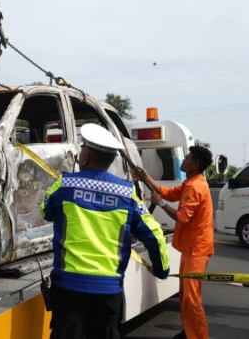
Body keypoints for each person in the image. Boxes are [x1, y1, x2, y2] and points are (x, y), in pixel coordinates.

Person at [41, 124, 170, 339]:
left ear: (85, 158)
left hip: (68, 287)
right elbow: (154, 234)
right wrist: (161, 269)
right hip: (108, 289)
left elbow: (45, 210)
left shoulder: (65, 185)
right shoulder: (127, 193)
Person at [133, 145, 214, 339]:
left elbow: (182, 217)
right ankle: (190, 332)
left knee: (192, 299)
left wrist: (160, 202)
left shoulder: (195, 186)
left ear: (194, 165)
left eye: (187, 158)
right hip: (192, 248)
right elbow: (168, 192)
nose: (183, 159)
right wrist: (146, 177)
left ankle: (198, 336)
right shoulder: (192, 181)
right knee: (186, 297)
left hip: (197, 249)